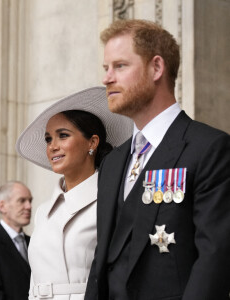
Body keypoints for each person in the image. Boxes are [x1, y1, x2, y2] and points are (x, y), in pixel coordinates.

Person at [85, 19, 230, 300]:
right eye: (106, 68)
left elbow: (215, 259)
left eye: (120, 66)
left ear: (156, 68)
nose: (107, 78)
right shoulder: (112, 163)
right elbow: (102, 261)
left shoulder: (209, 149)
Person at [16, 87, 133, 299]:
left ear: (92, 142)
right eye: (48, 139)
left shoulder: (113, 201)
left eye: (63, 135)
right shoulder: (43, 212)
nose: (52, 146)